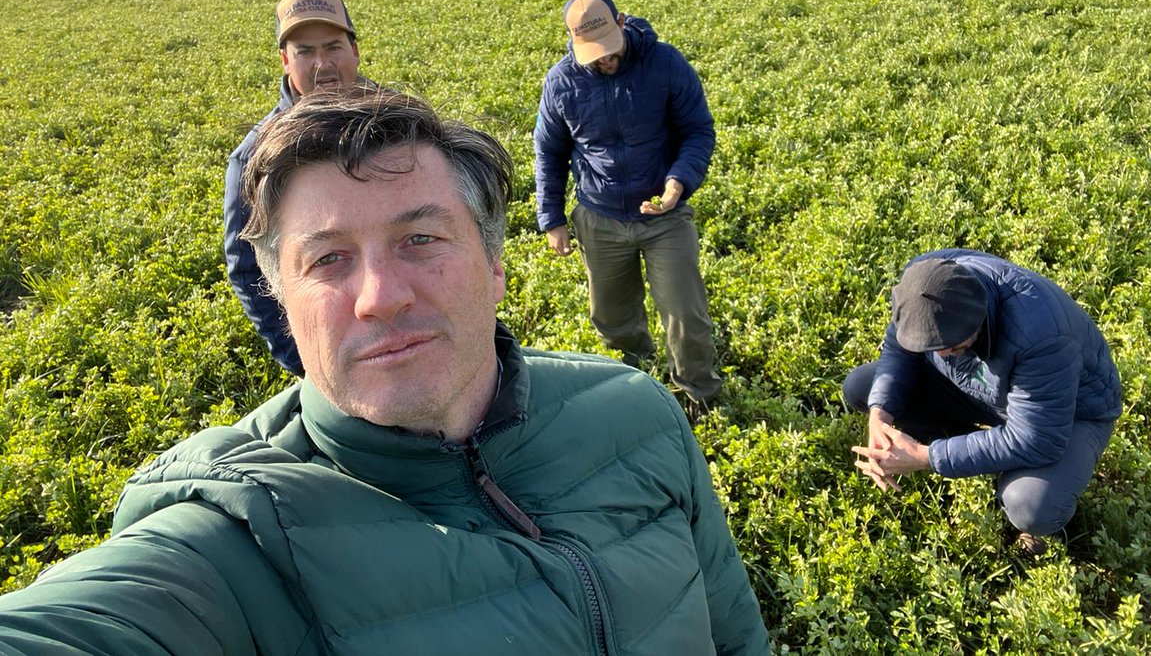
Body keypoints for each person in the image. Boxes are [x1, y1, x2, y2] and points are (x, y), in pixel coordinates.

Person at [0, 87, 770, 655]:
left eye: (421, 239)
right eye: (328, 260)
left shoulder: (633, 411)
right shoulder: (233, 541)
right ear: (280, 301)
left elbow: (734, 634)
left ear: (495, 264)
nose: (380, 298)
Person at [843, 248, 1123, 554]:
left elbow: (1039, 438)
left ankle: (1037, 517)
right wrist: (879, 414)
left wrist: (927, 456)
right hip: (986, 389)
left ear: (976, 320)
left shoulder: (1042, 336)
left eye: (949, 345)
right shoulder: (922, 284)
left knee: (1030, 504)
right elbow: (900, 349)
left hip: (1072, 413)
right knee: (863, 387)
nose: (938, 355)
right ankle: (981, 454)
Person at [534, 0, 722, 418]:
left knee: (684, 313)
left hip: (665, 215)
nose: (605, 60)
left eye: (610, 49)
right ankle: (637, 376)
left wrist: (679, 181)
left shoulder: (665, 63)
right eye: (594, 54)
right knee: (612, 314)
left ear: (622, 23)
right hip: (599, 216)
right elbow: (549, 152)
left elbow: (698, 130)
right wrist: (552, 218)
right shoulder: (562, 82)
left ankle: (700, 396)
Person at [224, 0, 367, 374]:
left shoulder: (395, 119)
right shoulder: (257, 155)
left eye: (333, 46)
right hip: (334, 340)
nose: (322, 64)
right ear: (286, 60)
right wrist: (304, 359)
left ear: (354, 50)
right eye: (305, 51)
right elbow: (247, 266)